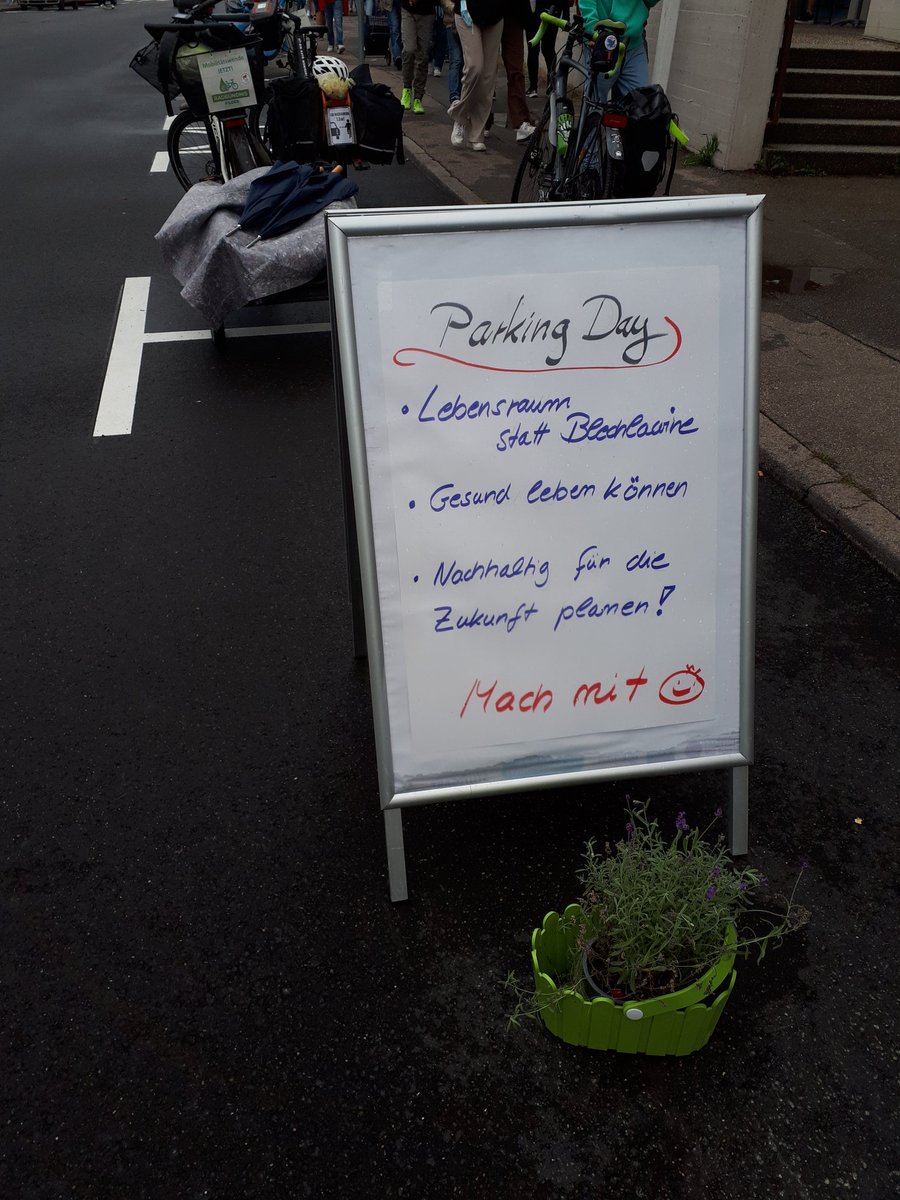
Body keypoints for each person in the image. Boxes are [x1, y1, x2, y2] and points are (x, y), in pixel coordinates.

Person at [578, 0, 662, 101]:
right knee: (595, 105)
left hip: (633, 45)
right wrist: (592, 29)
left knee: (640, 106)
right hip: (603, 43)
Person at [448, 0, 504, 152]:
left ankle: (476, 135)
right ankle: (460, 117)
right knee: (475, 67)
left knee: (487, 78)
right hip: (467, 13)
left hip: (495, 16)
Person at [499, 0, 535, 142]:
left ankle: (521, 123)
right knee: (486, 71)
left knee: (516, 71)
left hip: (514, 15)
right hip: (489, 13)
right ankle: (482, 121)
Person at [527, 0, 569, 96]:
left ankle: (533, 88)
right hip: (553, 10)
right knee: (548, 49)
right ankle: (551, 84)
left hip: (534, 12)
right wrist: (566, 15)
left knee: (533, 49)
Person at [400, 0, 435, 113]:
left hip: (427, 12)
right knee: (409, 50)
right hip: (408, 9)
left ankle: (418, 97)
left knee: (423, 56)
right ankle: (407, 88)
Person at [438, 0, 463, 103]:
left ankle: (461, 93)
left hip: (468, 23)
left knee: (466, 62)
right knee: (456, 59)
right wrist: (454, 8)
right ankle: (454, 94)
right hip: (452, 23)